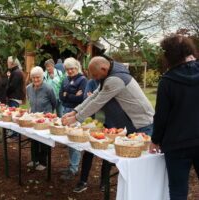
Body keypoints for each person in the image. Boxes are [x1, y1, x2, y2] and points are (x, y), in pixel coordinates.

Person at [62, 56, 154, 192]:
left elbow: (98, 102)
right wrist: (75, 111)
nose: (93, 78)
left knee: (140, 170)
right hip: (132, 124)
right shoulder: (109, 74)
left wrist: (76, 118)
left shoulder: (114, 80)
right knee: (132, 168)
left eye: (95, 75)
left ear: (104, 69)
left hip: (143, 124)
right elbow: (94, 96)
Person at [149, 35, 199, 200]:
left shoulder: (167, 81)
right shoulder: (167, 80)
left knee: (177, 191)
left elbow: (161, 116)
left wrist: (155, 140)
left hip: (176, 144)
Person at [59, 57, 88, 180]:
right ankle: (71, 165)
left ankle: (74, 168)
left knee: (75, 141)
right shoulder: (65, 79)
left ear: (77, 67)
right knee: (68, 140)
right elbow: (60, 96)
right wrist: (71, 95)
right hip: (65, 111)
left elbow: (81, 99)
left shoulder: (83, 80)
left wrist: (67, 95)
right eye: (67, 69)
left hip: (76, 113)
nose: (69, 71)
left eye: (71, 69)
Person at [26, 66, 57, 170]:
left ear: (42, 77)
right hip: (33, 119)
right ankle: (34, 159)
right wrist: (30, 110)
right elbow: (29, 102)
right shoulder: (28, 88)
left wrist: (48, 114)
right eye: (33, 77)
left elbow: (54, 103)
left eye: (38, 77)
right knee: (33, 138)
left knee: (44, 140)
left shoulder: (48, 88)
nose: (36, 80)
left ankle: (43, 163)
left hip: (45, 120)